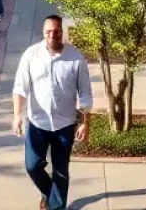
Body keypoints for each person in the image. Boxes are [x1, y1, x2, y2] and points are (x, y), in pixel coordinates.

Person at [13, 14, 92, 210]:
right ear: (43, 33)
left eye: (56, 31)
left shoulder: (75, 58)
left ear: (61, 32)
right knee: (32, 166)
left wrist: (85, 122)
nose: (52, 35)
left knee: (61, 171)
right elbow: (20, 88)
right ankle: (50, 194)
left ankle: (56, 206)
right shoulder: (31, 55)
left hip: (64, 125)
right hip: (38, 123)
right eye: (48, 32)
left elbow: (85, 92)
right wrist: (17, 116)